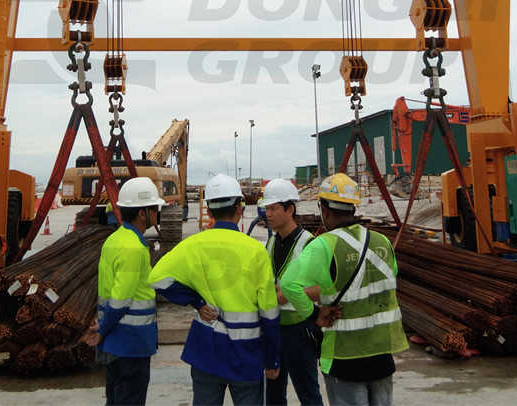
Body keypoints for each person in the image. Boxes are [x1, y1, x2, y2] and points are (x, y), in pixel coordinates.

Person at [149, 173, 281, 406]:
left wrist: (197, 302)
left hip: (206, 352)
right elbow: (269, 312)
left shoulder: (193, 245)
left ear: (208, 211)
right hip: (247, 354)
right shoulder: (256, 251)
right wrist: (272, 360)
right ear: (240, 208)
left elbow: (157, 279)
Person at [280, 173, 408, 406]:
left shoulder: (324, 245)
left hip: (344, 357)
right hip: (381, 354)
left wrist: (315, 315)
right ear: (353, 208)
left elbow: (289, 284)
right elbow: (391, 276)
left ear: (324, 210)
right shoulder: (383, 242)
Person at [86, 176, 165, 406]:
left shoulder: (115, 240)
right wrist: (102, 329)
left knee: (115, 399)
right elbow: (120, 300)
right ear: (143, 213)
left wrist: (103, 329)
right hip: (130, 344)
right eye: (155, 208)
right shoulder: (133, 248)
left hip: (115, 343)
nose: (157, 213)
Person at [262, 179, 323, 406]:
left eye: (274, 208)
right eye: (266, 209)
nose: (268, 214)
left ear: (290, 209)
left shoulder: (309, 244)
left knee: (308, 393)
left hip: (300, 331)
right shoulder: (270, 243)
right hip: (273, 327)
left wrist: (287, 293)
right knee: (274, 396)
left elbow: (322, 289)